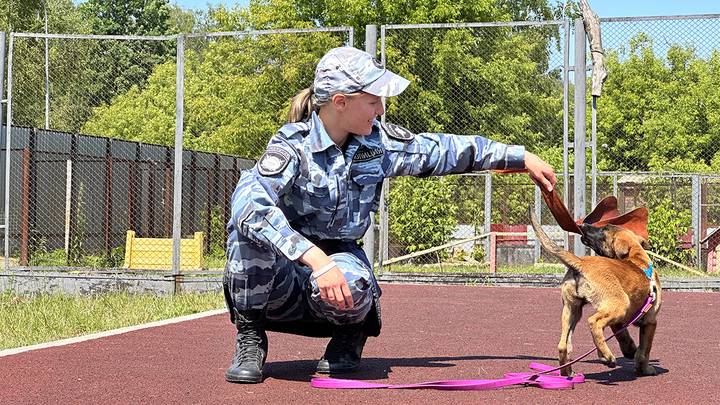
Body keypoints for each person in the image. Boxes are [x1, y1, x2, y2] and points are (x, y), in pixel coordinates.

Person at [223, 46, 556, 384]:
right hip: (286, 276)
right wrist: (316, 260)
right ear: (340, 102)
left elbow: (443, 150)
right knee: (245, 233)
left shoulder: (378, 144)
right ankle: (250, 335)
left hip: (339, 269)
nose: (381, 110)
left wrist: (520, 157)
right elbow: (249, 204)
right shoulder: (293, 146)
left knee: (354, 280)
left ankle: (350, 332)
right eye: (373, 101)